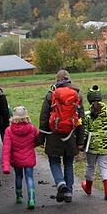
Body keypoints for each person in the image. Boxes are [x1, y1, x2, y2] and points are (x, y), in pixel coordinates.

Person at [39, 70, 84, 203]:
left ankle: (60, 183)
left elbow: (44, 119)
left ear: (56, 80)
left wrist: (41, 139)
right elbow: (81, 119)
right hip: (71, 135)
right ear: (69, 79)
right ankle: (69, 192)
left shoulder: (51, 95)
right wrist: (80, 141)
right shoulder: (77, 95)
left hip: (53, 134)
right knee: (69, 163)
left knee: (54, 161)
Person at [81, 85, 107, 200]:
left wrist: (81, 144)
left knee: (90, 166)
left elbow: (85, 132)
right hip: (105, 145)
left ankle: (88, 187)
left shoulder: (87, 115)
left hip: (91, 146)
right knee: (105, 167)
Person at [1, 106, 39, 210]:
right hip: (29, 157)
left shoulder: (9, 131)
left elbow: (6, 149)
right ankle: (31, 198)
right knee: (29, 177)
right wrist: (32, 146)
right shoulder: (31, 128)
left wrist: (5, 166)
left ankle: (19, 196)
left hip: (16, 159)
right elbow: (38, 139)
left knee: (18, 176)